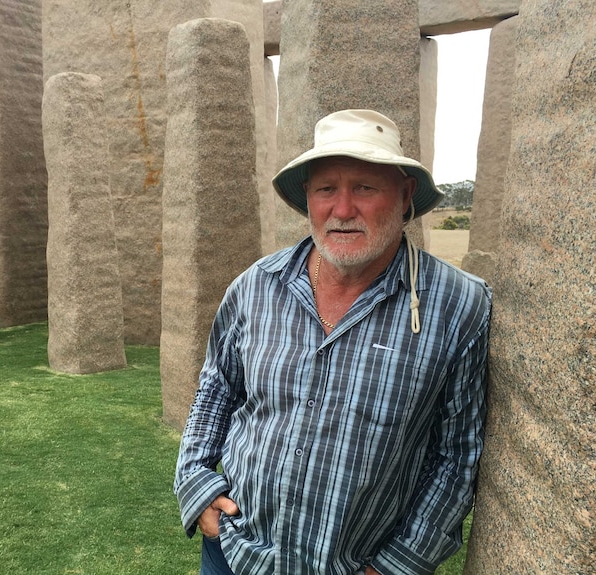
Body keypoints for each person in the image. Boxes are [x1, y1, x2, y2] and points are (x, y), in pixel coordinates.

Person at [174, 109, 491, 575]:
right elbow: (216, 390)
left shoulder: (459, 305)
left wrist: (396, 565)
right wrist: (197, 485)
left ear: (404, 196)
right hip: (237, 553)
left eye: (365, 187)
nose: (342, 210)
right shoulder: (254, 287)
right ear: (307, 198)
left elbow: (457, 455)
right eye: (326, 189)